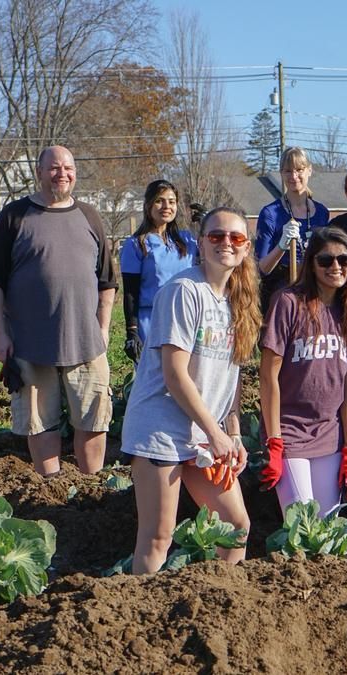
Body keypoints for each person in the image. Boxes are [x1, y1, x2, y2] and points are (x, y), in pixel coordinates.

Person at [120, 207, 262, 571]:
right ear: (201, 243)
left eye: (236, 238)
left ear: (246, 248)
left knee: (236, 527)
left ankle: (221, 604)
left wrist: (233, 434)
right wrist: (216, 433)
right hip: (161, 430)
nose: (225, 244)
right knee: (158, 536)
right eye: (216, 236)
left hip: (203, 432)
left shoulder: (238, 302)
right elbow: (175, 374)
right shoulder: (184, 291)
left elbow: (229, 380)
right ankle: (138, 618)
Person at [0, 145, 117, 477]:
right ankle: (49, 483)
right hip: (30, 342)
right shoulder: (15, 216)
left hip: (86, 342)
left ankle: (90, 481)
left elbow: (107, 280)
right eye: (54, 168)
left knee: (93, 417)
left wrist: (103, 327)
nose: (62, 174)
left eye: (68, 167)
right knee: (40, 421)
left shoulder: (89, 215)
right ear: (39, 173)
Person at [259, 227, 347, 516]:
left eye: (344, 260)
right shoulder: (288, 302)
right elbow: (268, 376)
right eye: (326, 260)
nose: (336, 266)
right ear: (311, 263)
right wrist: (274, 441)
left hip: (329, 436)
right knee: (302, 523)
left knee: (327, 527)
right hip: (290, 433)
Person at [120, 180, 197, 363]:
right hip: (152, 321)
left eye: (171, 201)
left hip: (186, 318)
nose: (166, 206)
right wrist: (132, 331)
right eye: (159, 201)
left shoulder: (188, 241)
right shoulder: (137, 245)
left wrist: (207, 222)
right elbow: (130, 292)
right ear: (148, 206)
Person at [255, 147, 331, 310]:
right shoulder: (270, 214)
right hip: (281, 296)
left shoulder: (322, 213)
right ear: (281, 174)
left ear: (309, 170)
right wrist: (282, 245)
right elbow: (261, 269)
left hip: (314, 293)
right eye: (288, 171)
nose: (294, 176)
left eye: (299, 170)